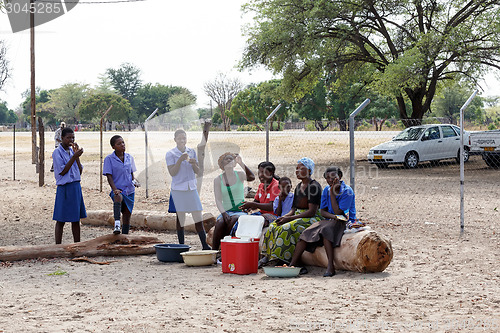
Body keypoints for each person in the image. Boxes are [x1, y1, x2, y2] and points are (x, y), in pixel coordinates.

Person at [290, 166, 357, 277]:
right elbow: (323, 212)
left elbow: (339, 212)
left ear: (339, 177)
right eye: (327, 178)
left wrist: (332, 193)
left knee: (326, 230)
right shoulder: (326, 189)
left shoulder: (347, 191)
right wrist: (333, 217)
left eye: (333, 177)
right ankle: (293, 264)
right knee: (307, 232)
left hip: (345, 220)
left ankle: (330, 266)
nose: (330, 180)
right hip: (331, 219)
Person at [260, 157, 322, 265]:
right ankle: (267, 256)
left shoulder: (314, 187)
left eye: (300, 169)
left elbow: (311, 211)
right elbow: (293, 209)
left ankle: (282, 259)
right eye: (296, 168)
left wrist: (290, 218)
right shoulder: (299, 186)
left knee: (286, 228)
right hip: (298, 215)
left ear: (309, 171)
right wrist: (285, 217)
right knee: (273, 225)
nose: (297, 171)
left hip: (311, 218)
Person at [166, 129, 210, 250]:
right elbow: (172, 173)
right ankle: (181, 246)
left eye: (184, 138)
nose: (182, 140)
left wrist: (194, 164)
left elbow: (198, 172)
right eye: (179, 138)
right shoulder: (170, 154)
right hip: (178, 189)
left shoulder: (191, 151)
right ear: (175, 140)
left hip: (191, 188)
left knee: (198, 218)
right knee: (181, 219)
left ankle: (204, 245)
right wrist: (180, 160)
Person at [212, 152, 255, 250]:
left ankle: (225, 247)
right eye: (226, 159)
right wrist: (223, 213)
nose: (229, 161)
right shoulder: (218, 179)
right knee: (220, 223)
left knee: (234, 219)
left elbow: (252, 177)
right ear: (222, 164)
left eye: (231, 159)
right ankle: (213, 251)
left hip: (240, 211)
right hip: (226, 211)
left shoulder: (239, 175)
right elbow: (218, 200)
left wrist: (241, 163)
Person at [52, 127, 86, 244]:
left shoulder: (72, 151)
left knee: (75, 219)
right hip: (64, 188)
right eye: (68, 138)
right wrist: (74, 157)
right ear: (62, 138)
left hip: (75, 186)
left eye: (73, 137)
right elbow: (62, 171)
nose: (71, 140)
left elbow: (80, 170)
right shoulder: (57, 152)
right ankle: (58, 246)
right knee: (61, 219)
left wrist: (77, 158)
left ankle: (77, 244)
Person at [103, 135, 139, 235]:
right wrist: (114, 189)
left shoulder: (129, 157)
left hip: (129, 190)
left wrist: (135, 181)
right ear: (113, 147)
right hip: (118, 188)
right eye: (119, 144)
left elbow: (131, 173)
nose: (122, 145)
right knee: (118, 197)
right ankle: (117, 224)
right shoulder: (109, 159)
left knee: (127, 215)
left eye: (123, 142)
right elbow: (109, 176)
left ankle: (125, 236)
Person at [239, 161, 280, 226]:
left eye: (263, 172)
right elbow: (256, 202)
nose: (260, 175)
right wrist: (248, 207)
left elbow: (272, 207)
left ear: (271, 173)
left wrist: (253, 204)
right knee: (242, 220)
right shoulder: (261, 186)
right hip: (262, 214)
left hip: (273, 215)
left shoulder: (276, 186)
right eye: (259, 172)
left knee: (257, 222)